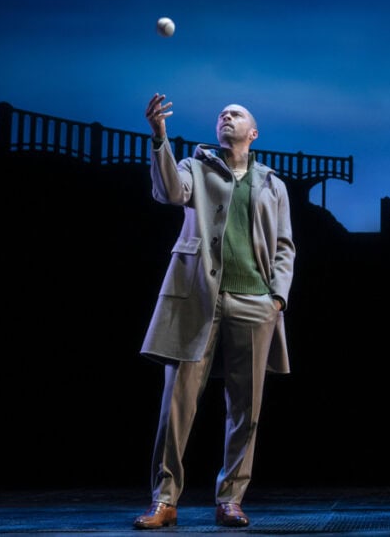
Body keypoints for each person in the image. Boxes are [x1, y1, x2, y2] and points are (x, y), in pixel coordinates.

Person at [132, 93, 295, 529]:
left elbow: (284, 246)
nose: (227, 116)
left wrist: (276, 298)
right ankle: (164, 499)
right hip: (197, 297)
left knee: (246, 408)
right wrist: (160, 137)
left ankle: (231, 499)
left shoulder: (272, 183)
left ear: (253, 133)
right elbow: (169, 192)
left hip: (254, 302)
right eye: (222, 113)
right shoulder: (195, 167)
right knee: (176, 405)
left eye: (236, 114)